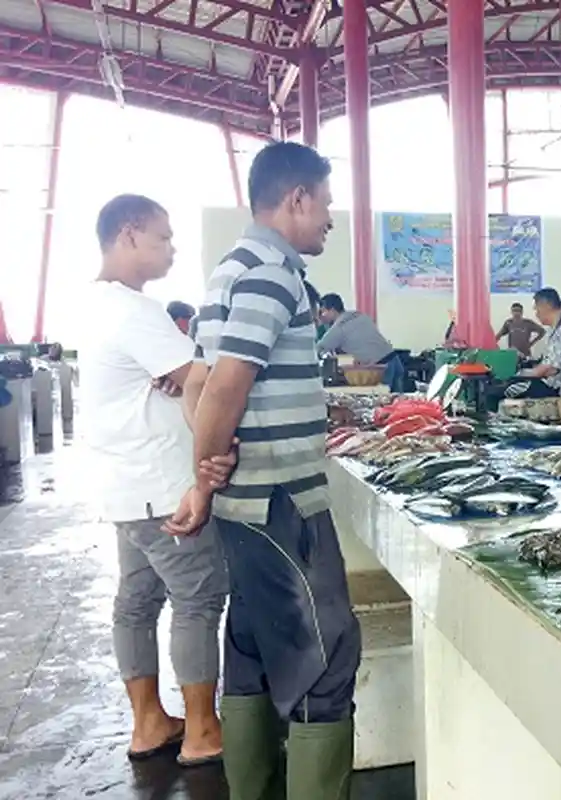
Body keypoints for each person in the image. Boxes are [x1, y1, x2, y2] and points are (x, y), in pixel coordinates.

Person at [175, 141, 361, 798]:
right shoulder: (274, 272)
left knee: (251, 653)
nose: (330, 220)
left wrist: (208, 474)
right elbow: (225, 387)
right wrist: (202, 479)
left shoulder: (230, 268)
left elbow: (196, 384)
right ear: (297, 199)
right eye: (327, 205)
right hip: (282, 502)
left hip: (243, 506)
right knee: (324, 664)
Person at [78, 194, 235, 769]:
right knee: (197, 599)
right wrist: (207, 378)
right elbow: (207, 379)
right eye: (163, 237)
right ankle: (201, 729)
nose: (171, 248)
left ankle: (149, 722)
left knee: (136, 603)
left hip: (123, 484)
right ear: (128, 235)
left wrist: (182, 377)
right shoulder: (132, 310)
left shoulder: (96, 305)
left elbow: (176, 377)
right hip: (162, 484)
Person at [504, 288, 561, 399]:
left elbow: (551, 369)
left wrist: (521, 374)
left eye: (537, 307)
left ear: (546, 306)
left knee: (506, 390)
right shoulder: (558, 326)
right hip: (554, 383)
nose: (536, 312)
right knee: (511, 384)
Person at [316, 293, 394, 365]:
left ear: (332, 310)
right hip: (393, 359)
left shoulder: (339, 327)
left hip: (380, 367)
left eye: (323, 312)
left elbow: (319, 349)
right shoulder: (359, 315)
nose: (322, 316)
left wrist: (319, 322)